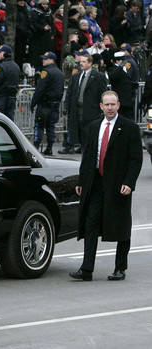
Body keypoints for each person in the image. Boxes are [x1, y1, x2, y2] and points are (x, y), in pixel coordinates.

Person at [69, 91, 143, 282]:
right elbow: (88, 156)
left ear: (118, 105)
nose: (110, 108)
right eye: (106, 105)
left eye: (113, 104)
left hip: (118, 185)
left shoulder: (129, 128)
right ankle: (86, 269)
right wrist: (81, 181)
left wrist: (129, 182)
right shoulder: (94, 127)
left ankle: (120, 268)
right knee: (90, 224)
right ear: (101, 106)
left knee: (121, 225)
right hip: (96, 183)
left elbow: (136, 159)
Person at [60, 55, 107, 154]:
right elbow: (70, 93)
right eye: (80, 61)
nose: (81, 63)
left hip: (90, 110)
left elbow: (102, 94)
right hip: (76, 109)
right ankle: (80, 147)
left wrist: (102, 109)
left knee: (89, 133)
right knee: (77, 131)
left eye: (84, 62)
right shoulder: (76, 76)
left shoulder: (98, 77)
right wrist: (66, 107)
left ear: (90, 63)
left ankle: (88, 152)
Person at [30, 51, 64, 155]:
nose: (43, 60)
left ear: (52, 60)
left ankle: (36, 147)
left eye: (45, 59)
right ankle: (49, 147)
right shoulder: (59, 72)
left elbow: (40, 89)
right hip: (55, 104)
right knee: (51, 126)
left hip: (45, 104)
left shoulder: (46, 72)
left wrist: (33, 102)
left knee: (39, 125)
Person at [108, 52, 136, 120]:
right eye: (122, 61)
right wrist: (120, 67)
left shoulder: (125, 69)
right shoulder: (114, 69)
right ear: (117, 61)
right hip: (120, 100)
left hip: (128, 100)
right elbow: (112, 76)